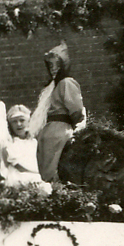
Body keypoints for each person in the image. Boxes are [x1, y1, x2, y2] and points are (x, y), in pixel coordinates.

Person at [29, 41, 85, 182]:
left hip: (59, 130)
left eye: (57, 65)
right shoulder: (51, 87)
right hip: (48, 131)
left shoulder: (66, 83)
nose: (53, 69)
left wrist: (75, 127)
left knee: (54, 170)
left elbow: (76, 109)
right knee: (45, 169)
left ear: (63, 65)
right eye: (51, 65)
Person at [3, 104, 43, 187]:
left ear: (28, 122)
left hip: (36, 177)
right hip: (19, 177)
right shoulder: (10, 143)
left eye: (22, 120)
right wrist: (37, 173)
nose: (18, 124)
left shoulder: (34, 142)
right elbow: (18, 166)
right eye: (14, 121)